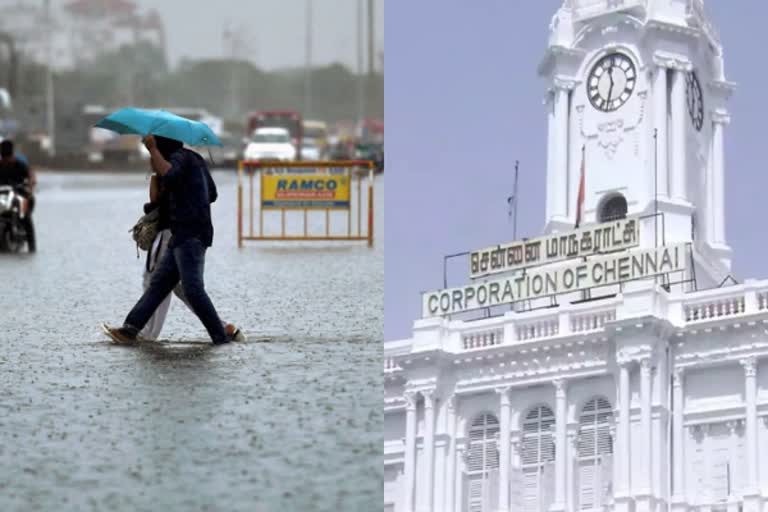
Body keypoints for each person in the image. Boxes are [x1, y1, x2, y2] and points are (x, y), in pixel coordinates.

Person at [104, 135, 237, 345]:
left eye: (156, 147)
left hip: (191, 233)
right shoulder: (193, 160)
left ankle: (221, 335)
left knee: (192, 289)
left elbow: (173, 177)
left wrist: (153, 150)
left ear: (162, 145)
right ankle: (130, 330)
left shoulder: (180, 159)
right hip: (182, 234)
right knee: (159, 285)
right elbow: (211, 193)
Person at [139, 173, 245, 342]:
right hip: (181, 232)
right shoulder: (178, 168)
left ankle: (148, 333)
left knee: (155, 280)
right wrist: (154, 178)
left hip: (170, 231)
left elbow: (158, 202)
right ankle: (222, 326)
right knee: (178, 286)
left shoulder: (173, 168)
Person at [0, 139, 36, 252]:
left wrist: (30, 188)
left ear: (11, 154)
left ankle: (32, 246)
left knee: (26, 217)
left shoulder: (20, 165)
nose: (6, 160)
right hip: (2, 197)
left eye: (8, 157)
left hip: (19, 195)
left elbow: (31, 177)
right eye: (4, 157)